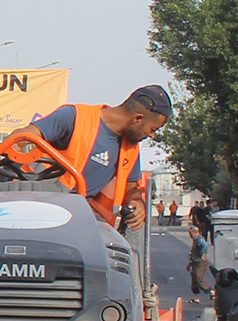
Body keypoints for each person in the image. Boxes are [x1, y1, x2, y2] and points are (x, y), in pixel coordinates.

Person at [17, 85, 174, 227]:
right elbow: (19, 137)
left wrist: (137, 201)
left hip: (78, 216)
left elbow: (130, 188)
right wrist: (17, 148)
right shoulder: (74, 118)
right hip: (33, 204)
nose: (152, 135)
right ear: (137, 119)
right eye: (153, 128)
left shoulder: (130, 147)